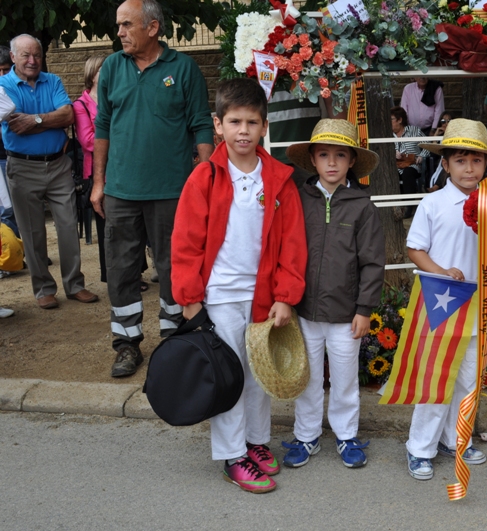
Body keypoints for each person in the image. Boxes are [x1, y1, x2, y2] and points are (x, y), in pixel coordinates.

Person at [171, 77, 308, 493]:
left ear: (265, 126)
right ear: (218, 125)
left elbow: (292, 244)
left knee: (257, 374)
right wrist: (189, 298)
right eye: (234, 122)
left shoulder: (281, 179)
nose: (243, 130)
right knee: (229, 375)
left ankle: (255, 441)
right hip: (220, 295)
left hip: (263, 295)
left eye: (251, 122)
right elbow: (186, 243)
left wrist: (286, 296)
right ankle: (232, 454)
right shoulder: (204, 178)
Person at [92, 0, 215, 377]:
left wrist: (205, 177)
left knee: (173, 267)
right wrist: (99, 182)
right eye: (119, 25)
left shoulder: (183, 68)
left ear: (153, 27)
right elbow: (103, 127)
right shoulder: (112, 67)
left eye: (127, 25)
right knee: (122, 269)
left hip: (172, 192)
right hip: (122, 191)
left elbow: (201, 126)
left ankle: (174, 343)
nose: (120, 32)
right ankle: (127, 345)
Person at [403, 119, 487, 481]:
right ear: (445, 164)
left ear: (485, 164)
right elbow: (415, 248)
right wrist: (442, 270)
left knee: (467, 378)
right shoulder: (432, 203)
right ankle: (420, 447)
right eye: (460, 160)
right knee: (436, 376)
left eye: (476, 161)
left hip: (480, 300)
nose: (469, 168)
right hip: (443, 301)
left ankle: (456, 439)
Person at [283, 119, 385, 469]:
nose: (331, 162)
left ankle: (345, 435)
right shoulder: (299, 199)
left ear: (351, 161)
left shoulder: (362, 206)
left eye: (339, 155)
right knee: (307, 377)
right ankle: (306, 435)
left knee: (344, 379)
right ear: (312, 158)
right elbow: (286, 250)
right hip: (305, 310)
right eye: (323, 154)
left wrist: (364, 308)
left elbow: (373, 263)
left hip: (346, 314)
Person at [0, 34, 99, 310]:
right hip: (22, 166)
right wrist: (49, 119)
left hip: (58, 165)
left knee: (69, 227)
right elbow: (15, 126)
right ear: (13, 57)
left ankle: (75, 285)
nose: (32, 61)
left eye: (37, 55)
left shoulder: (52, 80)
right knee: (33, 233)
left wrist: (34, 120)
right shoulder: (3, 86)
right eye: (26, 56)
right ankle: (43, 288)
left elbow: (68, 116)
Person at [74, 56, 106, 273]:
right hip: (96, 172)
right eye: (103, 70)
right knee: (105, 226)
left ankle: (136, 271)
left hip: (120, 168)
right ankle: (110, 273)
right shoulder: (81, 105)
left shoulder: (114, 99)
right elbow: (87, 141)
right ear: (92, 74)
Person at [391, 106, 429, 206]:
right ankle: (395, 204)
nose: (389, 122)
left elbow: (428, 145)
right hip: (395, 165)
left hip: (412, 165)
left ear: (399, 120)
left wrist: (421, 156)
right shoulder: (388, 134)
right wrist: (393, 153)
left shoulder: (414, 131)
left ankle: (408, 205)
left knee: (408, 173)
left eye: (391, 119)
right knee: (391, 173)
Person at [0, 44, 18, 238]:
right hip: (1, 158)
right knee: (6, 210)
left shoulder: (14, 89)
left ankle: (23, 250)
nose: (2, 74)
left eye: (5, 69)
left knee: (20, 207)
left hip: (15, 156)